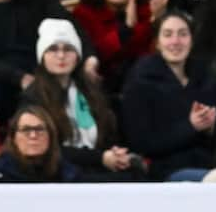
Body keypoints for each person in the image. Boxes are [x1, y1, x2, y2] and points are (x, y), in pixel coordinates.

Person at [20, 18, 134, 180]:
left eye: (68, 49)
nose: (61, 56)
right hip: (57, 172)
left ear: (78, 56)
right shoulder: (33, 97)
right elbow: (46, 149)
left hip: (94, 167)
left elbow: (108, 133)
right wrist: (100, 158)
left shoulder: (90, 90)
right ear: (42, 56)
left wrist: (115, 154)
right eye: (53, 49)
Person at [120, 11, 216, 180]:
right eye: (168, 35)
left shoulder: (205, 78)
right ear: (158, 43)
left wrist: (211, 128)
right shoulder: (140, 82)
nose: (176, 41)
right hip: (164, 171)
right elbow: (140, 142)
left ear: (192, 40)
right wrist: (190, 127)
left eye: (183, 34)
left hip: (209, 163)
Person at [71, 0, 164, 92]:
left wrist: (155, 22)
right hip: (99, 86)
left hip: (142, 85)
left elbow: (148, 57)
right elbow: (95, 53)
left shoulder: (148, 11)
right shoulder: (84, 13)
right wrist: (126, 29)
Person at [0, 104, 81, 182]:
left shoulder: (67, 172)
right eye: (26, 130)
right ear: (14, 138)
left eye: (39, 129)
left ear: (51, 136)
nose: (33, 135)